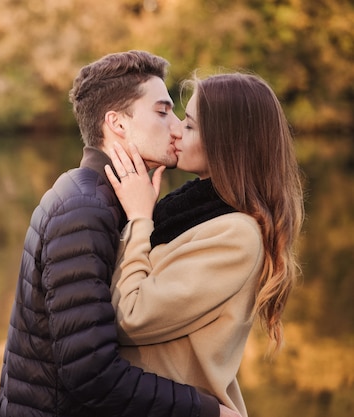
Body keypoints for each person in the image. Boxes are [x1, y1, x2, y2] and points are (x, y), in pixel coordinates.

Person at [0, 50, 239, 417]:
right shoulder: (84, 209)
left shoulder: (102, 198)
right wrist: (209, 411)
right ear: (118, 124)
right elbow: (89, 372)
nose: (176, 127)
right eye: (162, 112)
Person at [104, 72, 305, 417]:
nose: (177, 130)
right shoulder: (189, 211)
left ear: (229, 145)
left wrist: (139, 218)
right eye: (183, 118)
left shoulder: (236, 236)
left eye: (192, 126)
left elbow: (131, 317)